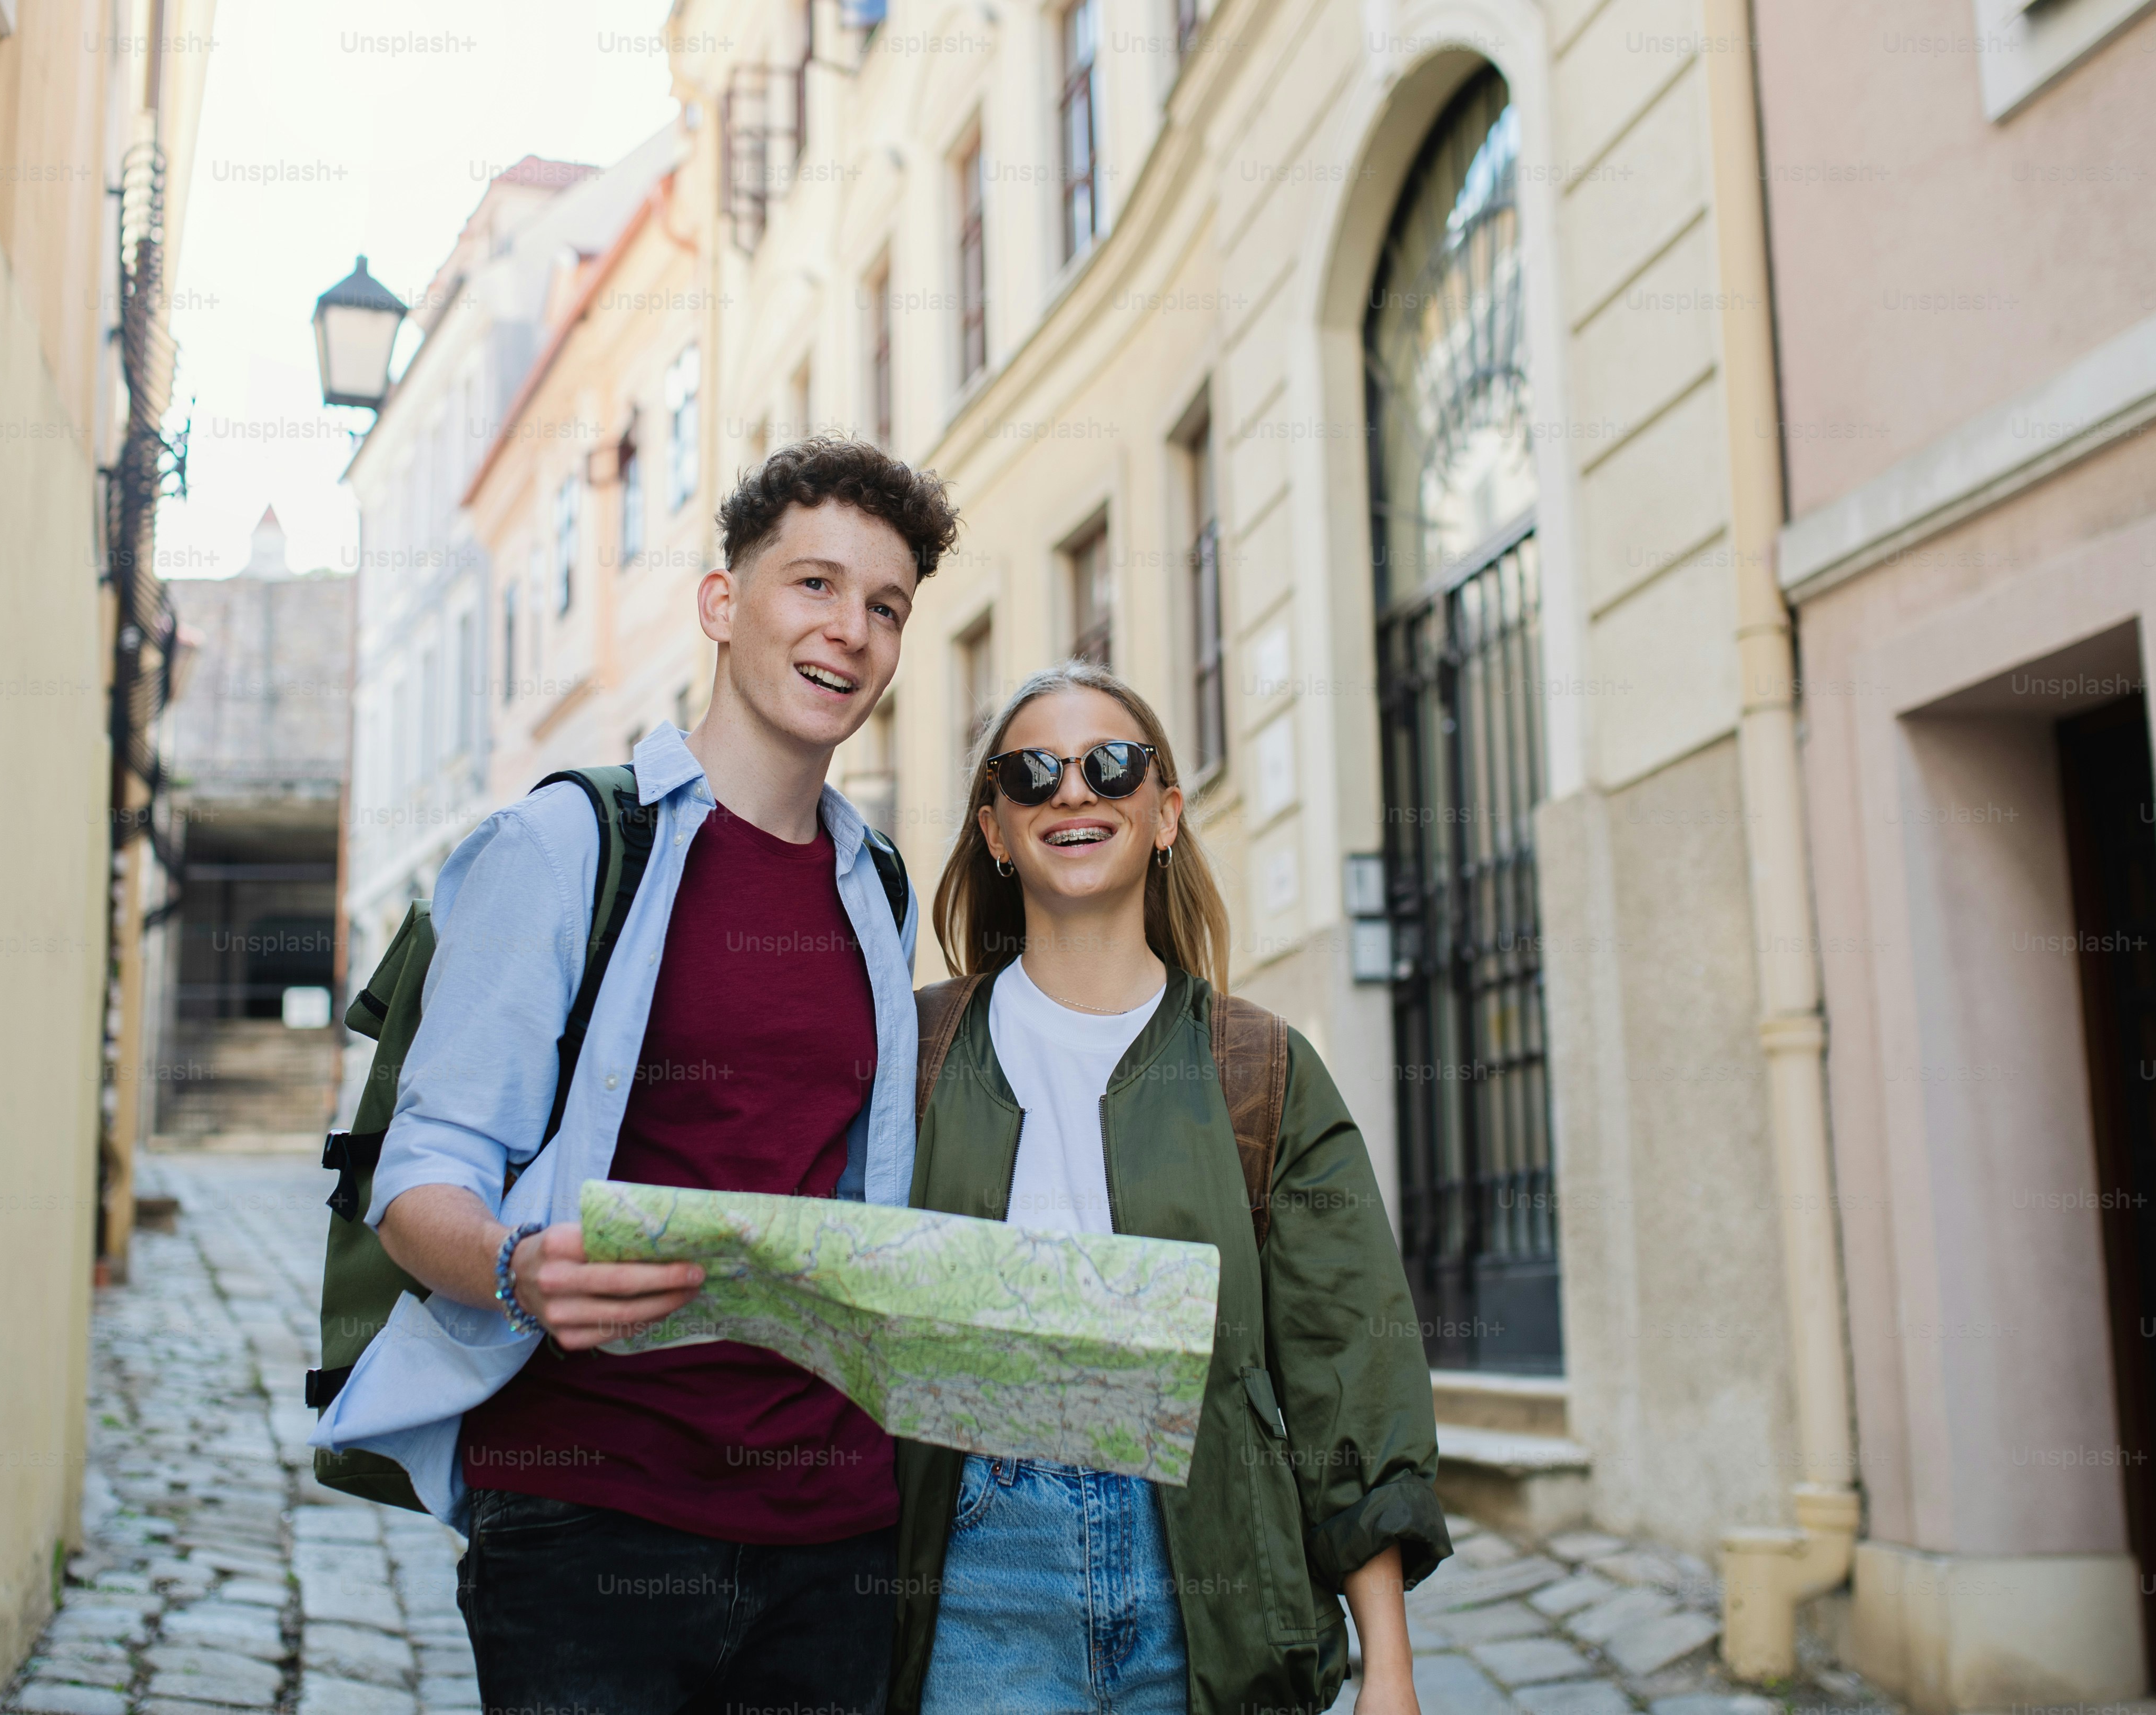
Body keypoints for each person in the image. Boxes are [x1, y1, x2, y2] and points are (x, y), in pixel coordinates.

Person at [318, 437, 960, 1714]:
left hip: (831, 1527)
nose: (852, 632)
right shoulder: (565, 844)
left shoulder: (876, 884)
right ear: (724, 605)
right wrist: (515, 1266)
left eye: (885, 607)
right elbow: (419, 1174)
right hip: (587, 1510)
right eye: (815, 585)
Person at [891, 661, 1449, 1715]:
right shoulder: (914, 1051)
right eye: (1030, 772)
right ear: (996, 830)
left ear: (1165, 815)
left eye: (1112, 763)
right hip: (978, 1584)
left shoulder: (1256, 1065)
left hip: (1212, 1582)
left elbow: (1349, 1362)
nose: (1073, 791)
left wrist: (1391, 1668)